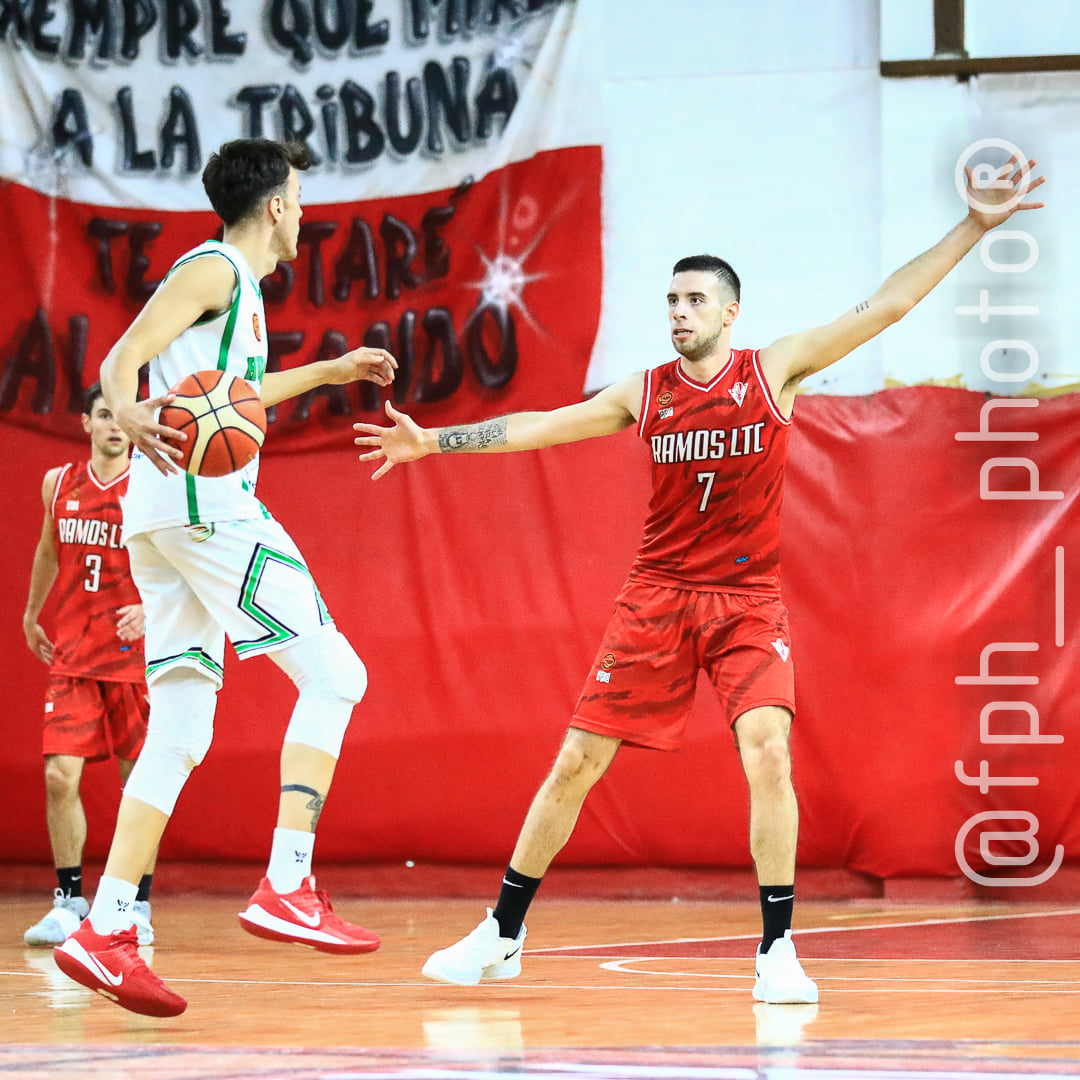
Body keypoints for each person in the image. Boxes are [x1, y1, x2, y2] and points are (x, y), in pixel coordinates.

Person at [355, 157, 1046, 1002]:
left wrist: (975, 227)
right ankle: (501, 931)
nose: (678, 314)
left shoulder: (775, 369)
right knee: (576, 761)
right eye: (670, 302)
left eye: (693, 301)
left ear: (729, 312)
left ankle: (777, 951)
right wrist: (435, 443)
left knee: (767, 752)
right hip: (657, 596)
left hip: (748, 603)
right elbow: (538, 427)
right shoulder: (644, 394)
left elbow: (889, 304)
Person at [53, 138, 398, 1019]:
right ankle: (288, 880)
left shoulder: (237, 293)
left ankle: (107, 927)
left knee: (180, 726)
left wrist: (328, 370)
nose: (304, 212)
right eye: (300, 196)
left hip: (163, 521)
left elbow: (231, 399)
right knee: (337, 675)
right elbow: (121, 354)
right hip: (208, 511)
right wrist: (126, 407)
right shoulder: (211, 270)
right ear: (278, 204)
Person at [22, 383, 156, 949]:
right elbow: (49, 549)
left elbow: (185, 558)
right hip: (74, 652)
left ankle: (136, 904)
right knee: (59, 776)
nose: (114, 425)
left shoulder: (153, 484)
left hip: (130, 659)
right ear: (86, 423)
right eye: (104, 414)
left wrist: (152, 607)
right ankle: (68, 899)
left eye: (123, 416)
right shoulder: (60, 483)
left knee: (140, 783)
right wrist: (32, 615)